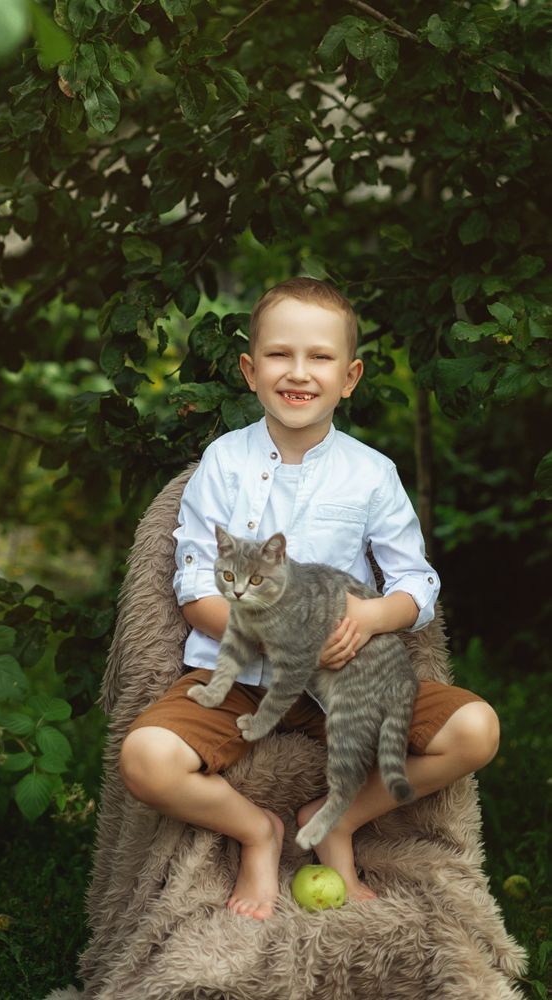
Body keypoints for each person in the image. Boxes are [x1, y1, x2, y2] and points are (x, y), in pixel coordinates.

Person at [119, 277, 499, 919]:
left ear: (349, 377)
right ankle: (257, 832)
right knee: (144, 759)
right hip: (237, 676)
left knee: (475, 729)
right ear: (250, 370)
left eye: (319, 357)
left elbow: (418, 583)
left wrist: (373, 615)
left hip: (346, 676)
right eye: (279, 354)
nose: (299, 372)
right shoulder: (223, 464)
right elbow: (195, 591)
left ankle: (339, 818)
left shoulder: (371, 473)